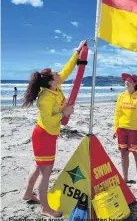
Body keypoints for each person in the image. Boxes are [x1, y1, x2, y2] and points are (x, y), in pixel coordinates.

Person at [22, 40, 86, 218]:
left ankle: (28, 193)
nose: (60, 75)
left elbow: (66, 70)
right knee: (46, 172)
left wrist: (77, 52)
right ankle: (44, 208)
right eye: (56, 74)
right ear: (51, 81)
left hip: (48, 134)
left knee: (38, 166)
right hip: (44, 135)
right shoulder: (45, 99)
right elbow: (50, 122)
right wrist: (64, 112)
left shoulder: (55, 86)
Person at [113, 73, 137, 190]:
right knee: (123, 153)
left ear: (135, 83)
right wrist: (115, 128)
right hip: (122, 129)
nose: (126, 82)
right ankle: (125, 178)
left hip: (135, 131)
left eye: (129, 80)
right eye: (125, 80)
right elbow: (117, 114)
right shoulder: (121, 96)